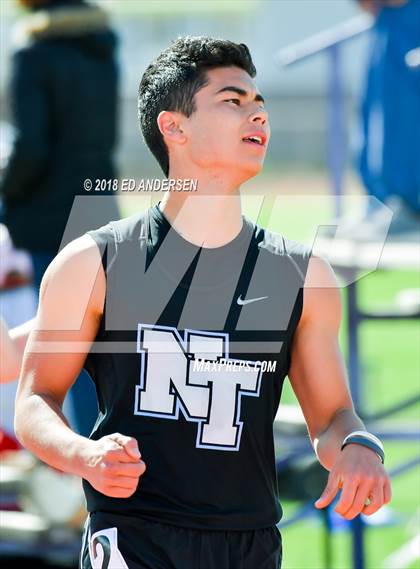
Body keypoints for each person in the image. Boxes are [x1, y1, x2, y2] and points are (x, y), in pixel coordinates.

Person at [15, 37, 391, 569]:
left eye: (259, 103)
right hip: (134, 536)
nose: (257, 114)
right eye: (233, 101)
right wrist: (84, 454)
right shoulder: (94, 261)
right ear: (175, 127)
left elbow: (331, 417)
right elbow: (35, 400)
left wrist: (358, 447)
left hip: (250, 543)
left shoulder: (303, 275)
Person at [0, 0, 121, 288]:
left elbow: (30, 148)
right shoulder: (102, 50)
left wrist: (6, 193)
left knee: (47, 327)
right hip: (100, 210)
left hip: (45, 223)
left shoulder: (34, 54)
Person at [350, 0, 420, 240]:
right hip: (391, 18)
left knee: (406, 113)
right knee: (379, 110)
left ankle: (409, 205)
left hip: (411, 17)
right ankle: (382, 202)